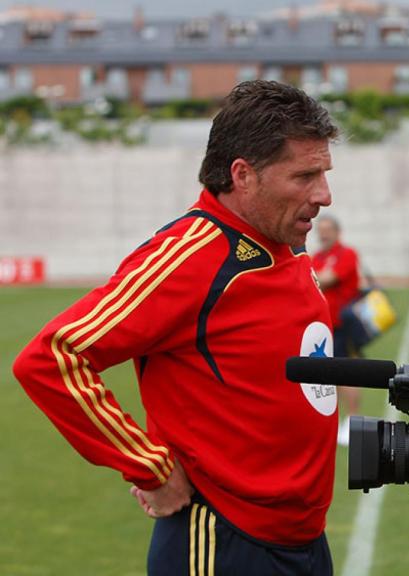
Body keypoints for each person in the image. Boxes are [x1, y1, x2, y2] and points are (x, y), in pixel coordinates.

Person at [13, 80, 340, 576]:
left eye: (325, 173)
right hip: (223, 542)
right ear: (243, 175)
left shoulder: (282, 243)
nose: (325, 195)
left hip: (302, 539)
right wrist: (148, 465)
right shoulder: (190, 255)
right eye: (305, 175)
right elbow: (53, 358)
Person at [311, 215, 363, 445]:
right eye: (320, 230)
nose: (323, 234)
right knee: (328, 376)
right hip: (324, 326)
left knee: (346, 373)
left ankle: (352, 419)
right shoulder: (317, 257)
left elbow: (324, 280)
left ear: (337, 232)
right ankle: (340, 419)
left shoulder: (346, 254)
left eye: (327, 230)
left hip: (344, 324)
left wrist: (314, 279)